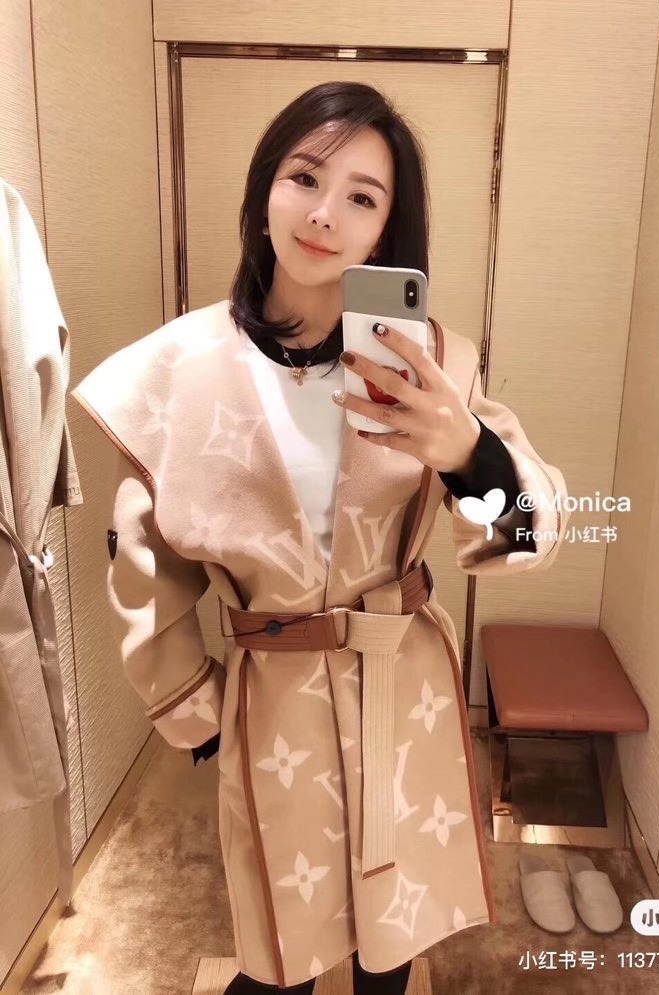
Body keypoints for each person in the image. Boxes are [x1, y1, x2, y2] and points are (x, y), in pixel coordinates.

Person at [72, 81, 567, 994]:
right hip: (275, 699)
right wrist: (197, 715)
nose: (325, 214)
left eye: (362, 197)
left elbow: (532, 527)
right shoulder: (176, 370)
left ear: (386, 231)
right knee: (282, 953)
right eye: (305, 177)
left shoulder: (431, 365)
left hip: (404, 689)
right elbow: (144, 566)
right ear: (265, 187)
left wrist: (466, 451)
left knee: (393, 943)